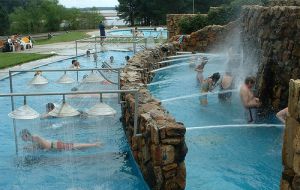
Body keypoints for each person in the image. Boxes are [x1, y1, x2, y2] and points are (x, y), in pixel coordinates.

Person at [20, 129, 100, 151]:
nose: (22, 139)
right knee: (73, 146)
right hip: (54, 145)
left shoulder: (35, 137)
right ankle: (94, 144)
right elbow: (39, 146)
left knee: (74, 146)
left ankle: (94, 144)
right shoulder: (32, 139)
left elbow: (45, 147)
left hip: (55, 146)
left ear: (26, 135)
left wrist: (46, 150)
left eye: (22, 137)